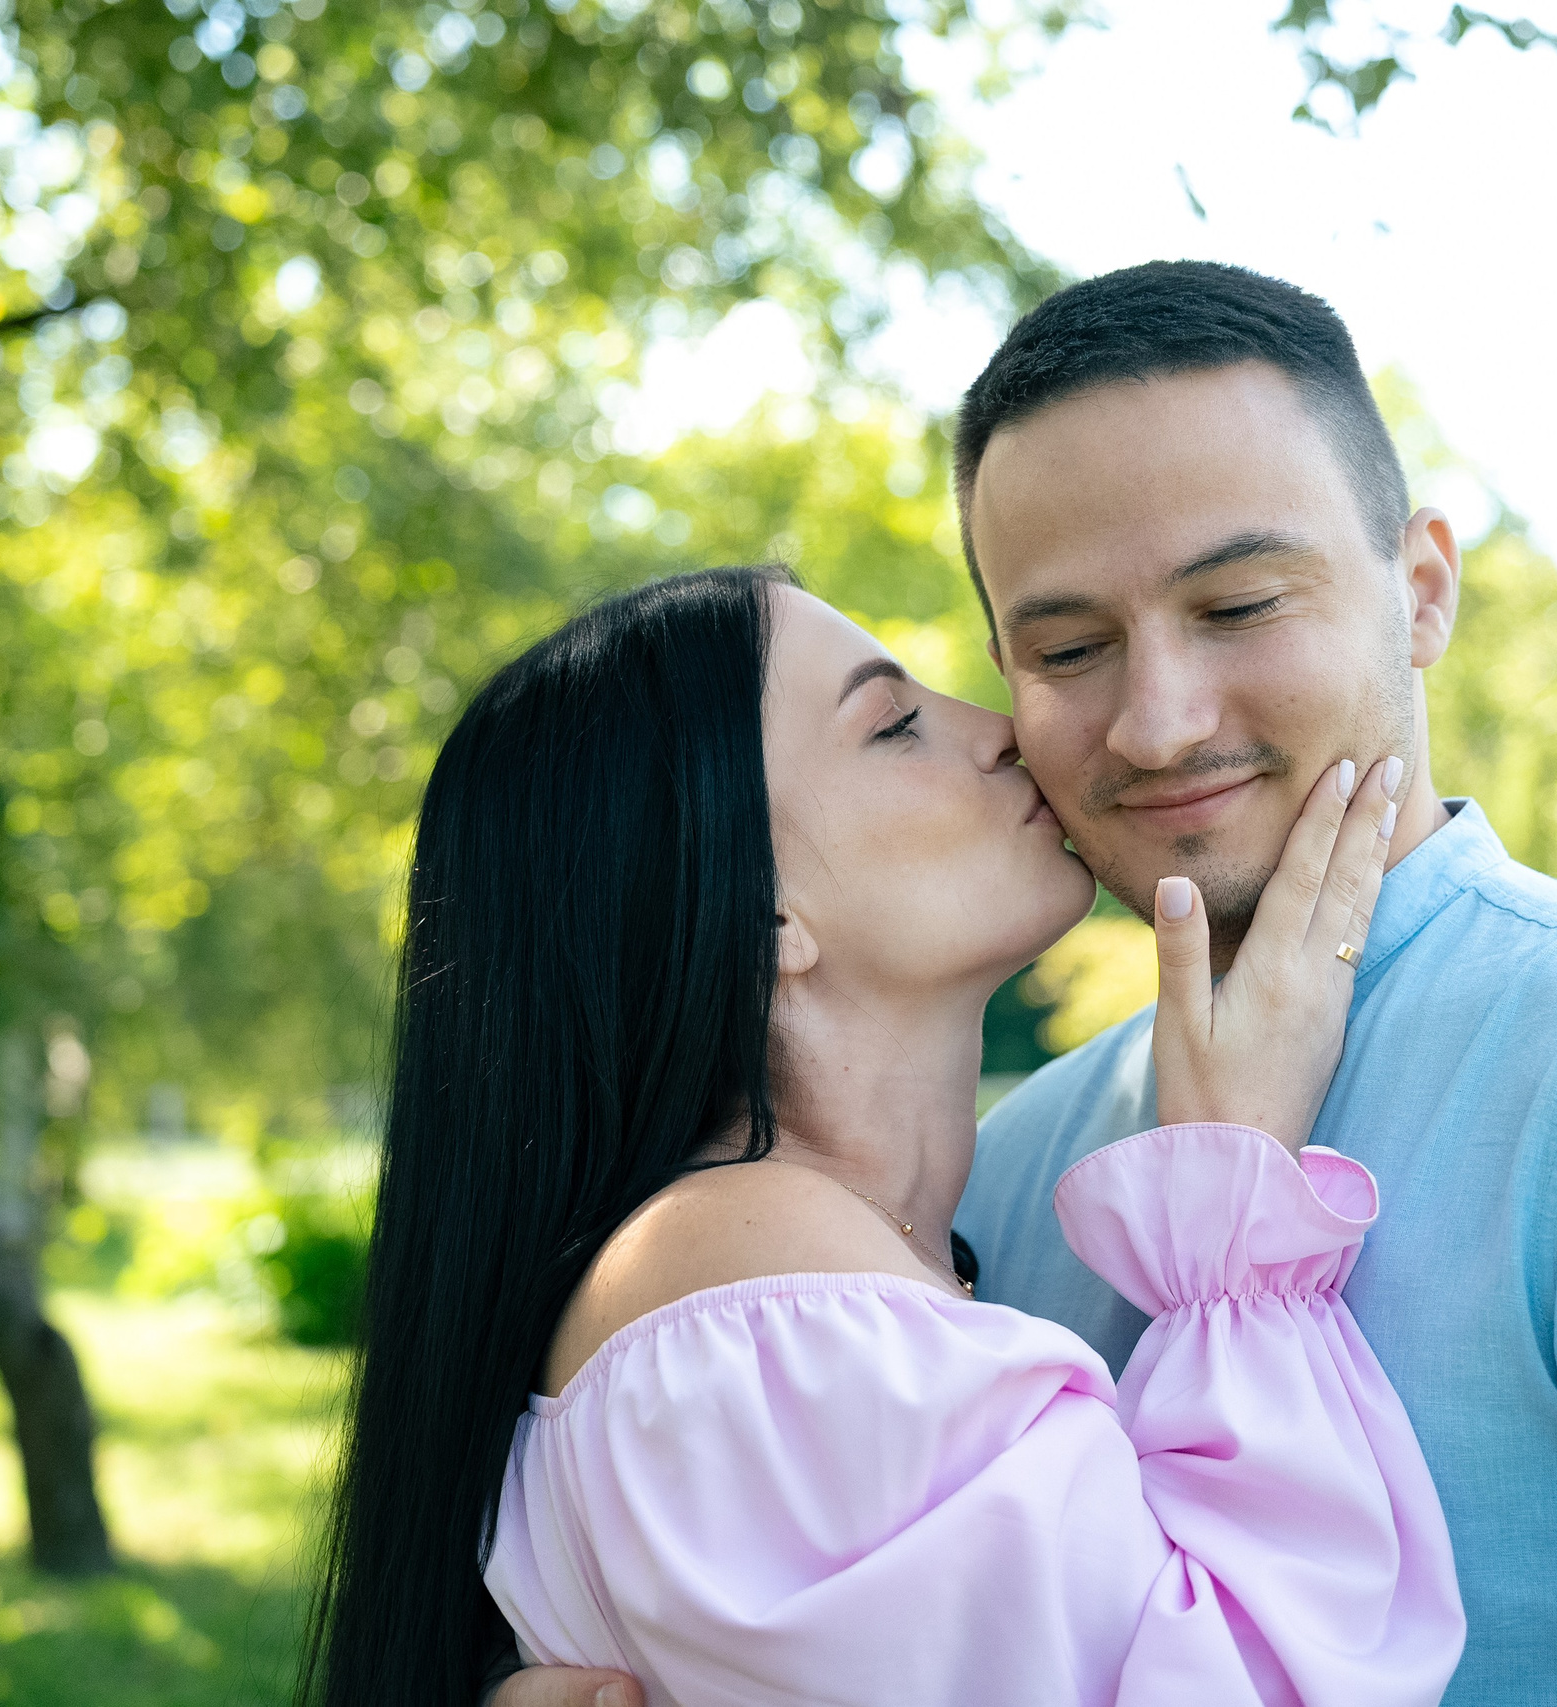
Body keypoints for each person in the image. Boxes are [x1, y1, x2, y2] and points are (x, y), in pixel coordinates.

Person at [497, 263, 1557, 1706]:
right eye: (1066, 649)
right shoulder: (997, 1179)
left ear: (1424, 589)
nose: (1160, 720)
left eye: (1241, 605)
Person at [300, 565, 1466, 1707]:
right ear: (762, 914)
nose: (1006, 731)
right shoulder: (752, 1284)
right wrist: (1234, 1200)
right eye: (894, 724)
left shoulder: (824, 1269)